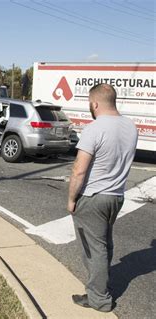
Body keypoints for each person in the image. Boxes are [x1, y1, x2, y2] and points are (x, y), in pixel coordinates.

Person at [67, 83, 138, 312]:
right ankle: (100, 285)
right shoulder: (130, 127)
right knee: (105, 244)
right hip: (116, 196)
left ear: (94, 103)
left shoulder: (94, 128)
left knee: (93, 248)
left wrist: (71, 199)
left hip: (93, 197)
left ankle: (98, 298)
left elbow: (79, 169)